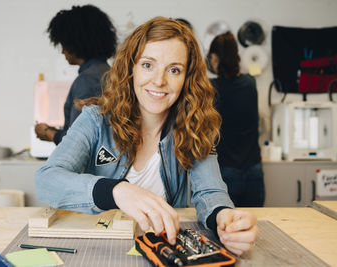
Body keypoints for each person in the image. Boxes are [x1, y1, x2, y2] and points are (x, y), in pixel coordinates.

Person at [36, 17, 257, 255]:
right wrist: (117, 190)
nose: (159, 81)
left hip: (162, 250)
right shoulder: (95, 119)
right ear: (130, 67)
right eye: (148, 65)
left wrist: (223, 218)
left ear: (187, 78)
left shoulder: (195, 125)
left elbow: (210, 192)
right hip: (99, 249)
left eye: (174, 70)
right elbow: (47, 180)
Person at [34, 5, 117, 145]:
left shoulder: (87, 81)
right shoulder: (107, 73)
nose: (62, 52)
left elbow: (78, 141)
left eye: (63, 45)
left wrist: (48, 133)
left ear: (74, 44)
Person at [208, 31, 265, 207]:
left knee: (226, 227)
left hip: (226, 170)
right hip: (253, 169)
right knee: (255, 224)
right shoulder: (250, 83)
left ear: (215, 58)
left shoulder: (212, 88)